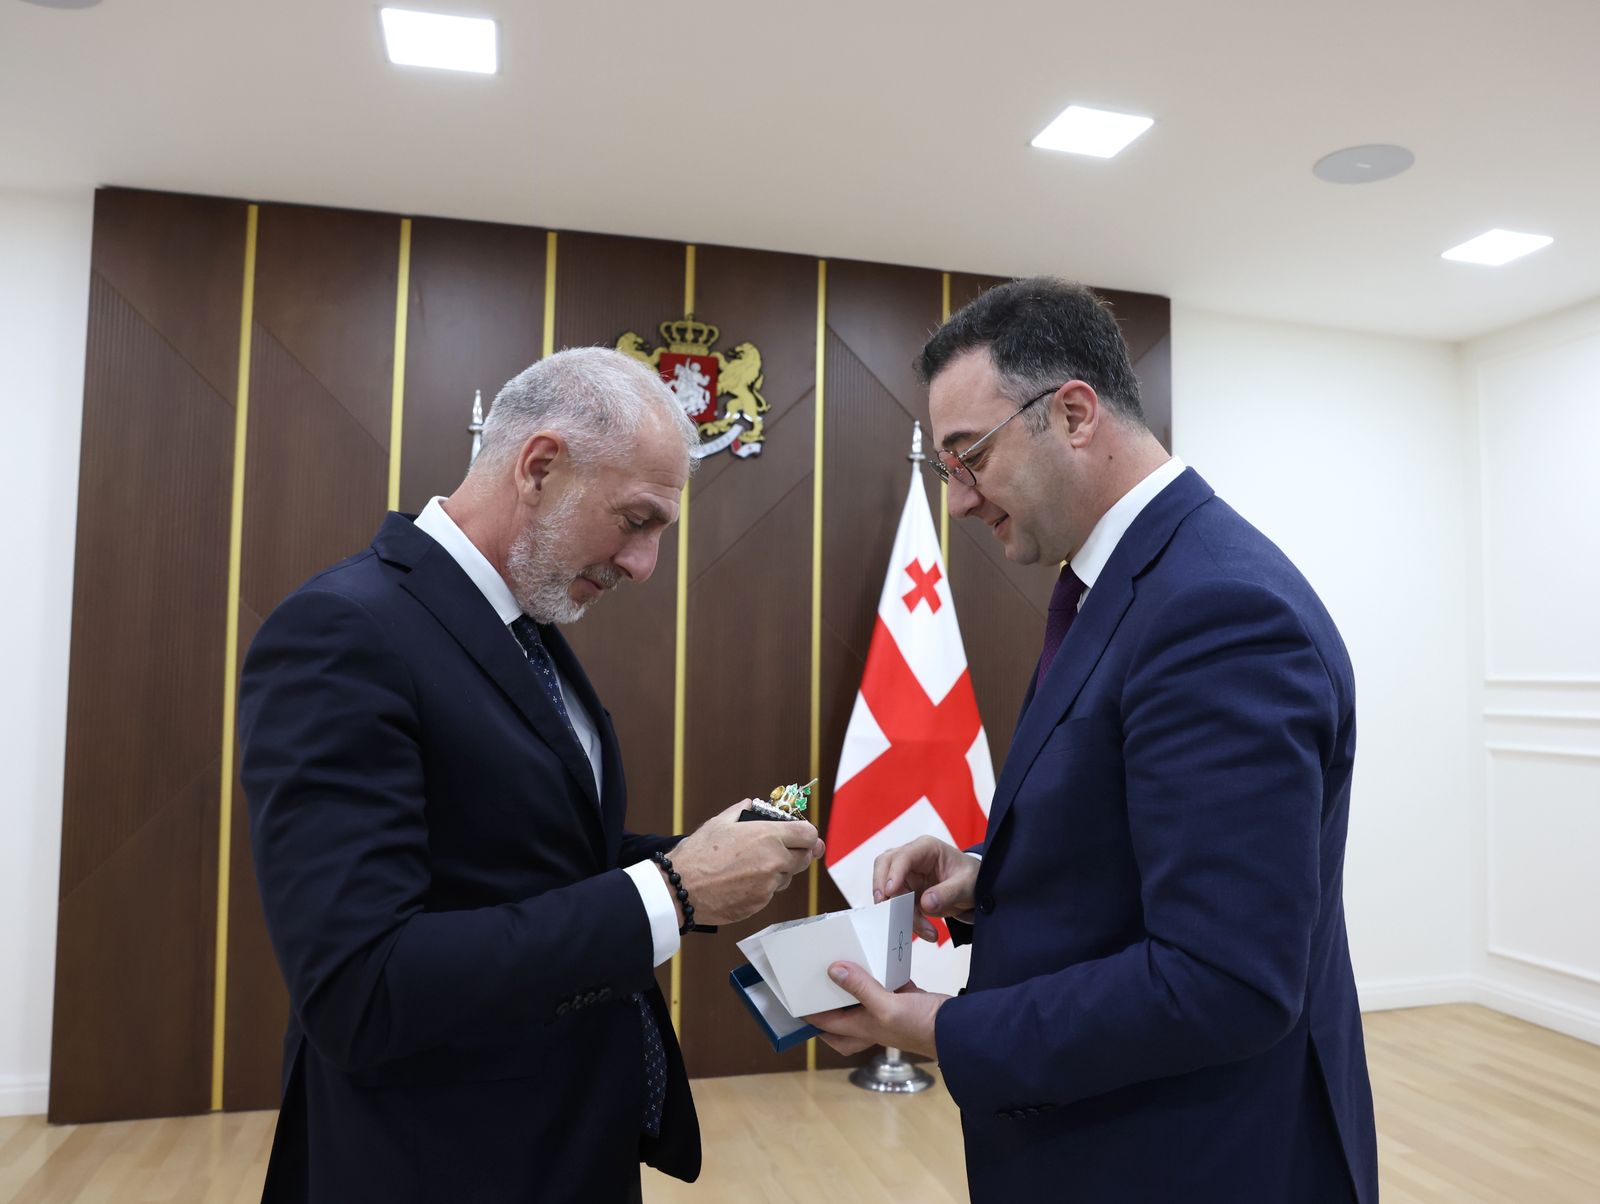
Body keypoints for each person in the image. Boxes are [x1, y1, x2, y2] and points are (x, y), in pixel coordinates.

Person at [808, 278, 1378, 1202]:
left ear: (1073, 414)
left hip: (1194, 1160)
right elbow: (1142, 843)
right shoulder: (1127, 581)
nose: (961, 503)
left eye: (971, 457)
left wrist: (938, 1029)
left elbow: (1223, 979)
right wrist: (987, 874)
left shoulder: (1218, 611)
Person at [239, 347, 824, 1204]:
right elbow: (361, 988)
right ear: (540, 466)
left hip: (566, 1142)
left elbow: (524, 856)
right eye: (637, 520)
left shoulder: (522, 623)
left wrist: (698, 860)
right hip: (435, 1163)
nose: (644, 565)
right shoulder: (342, 631)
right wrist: (672, 892)